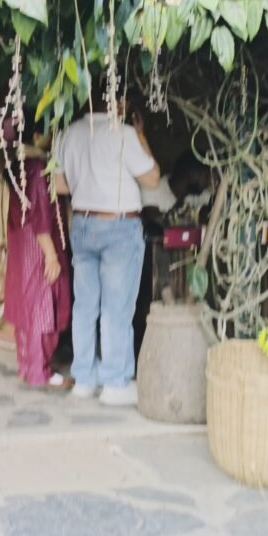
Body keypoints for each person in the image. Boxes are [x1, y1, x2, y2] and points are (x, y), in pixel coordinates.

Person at [54, 91, 161, 405]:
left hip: (83, 224)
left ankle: (84, 380)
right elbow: (153, 179)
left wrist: (88, 183)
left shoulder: (67, 133)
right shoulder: (124, 134)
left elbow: (59, 185)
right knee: (117, 308)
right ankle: (115, 383)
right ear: (119, 102)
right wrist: (141, 135)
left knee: (85, 306)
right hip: (118, 227)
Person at [2, 131, 71, 389]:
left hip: (22, 246)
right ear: (38, 135)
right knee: (44, 310)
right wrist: (51, 255)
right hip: (40, 246)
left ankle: (26, 366)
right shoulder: (39, 167)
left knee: (28, 311)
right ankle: (39, 372)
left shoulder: (18, 165)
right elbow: (41, 213)